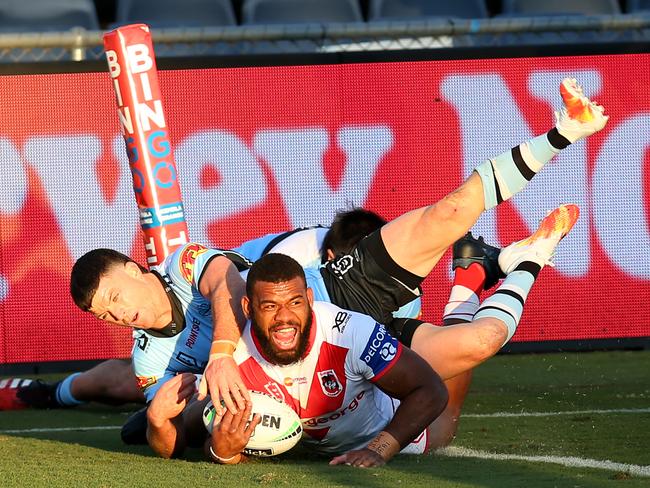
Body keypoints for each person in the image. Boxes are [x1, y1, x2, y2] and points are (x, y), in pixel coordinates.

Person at [69, 78, 605, 440]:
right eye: (104, 314)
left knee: (446, 213)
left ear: (139, 268)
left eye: (116, 295)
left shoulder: (183, 263)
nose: (118, 314)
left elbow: (225, 281)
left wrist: (221, 352)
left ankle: (565, 130)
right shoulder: (150, 363)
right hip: (327, 357)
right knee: (478, 345)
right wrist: (182, 421)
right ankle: (518, 262)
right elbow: (174, 420)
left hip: (335, 291)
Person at [147, 209, 578, 466]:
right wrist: (218, 450)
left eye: (295, 304)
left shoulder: (347, 329)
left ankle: (526, 261)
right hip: (353, 385)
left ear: (309, 298)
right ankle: (474, 269)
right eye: (269, 307)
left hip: (385, 415)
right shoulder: (232, 360)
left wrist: (382, 447)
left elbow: (428, 390)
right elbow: (181, 438)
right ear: (247, 309)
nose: (284, 318)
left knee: (482, 342)